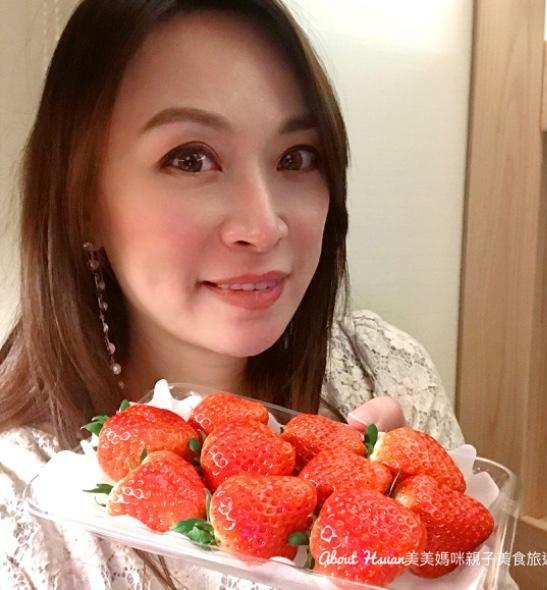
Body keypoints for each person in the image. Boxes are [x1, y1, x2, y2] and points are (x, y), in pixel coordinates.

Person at [0, 0, 464, 588]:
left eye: (296, 157)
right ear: (82, 199)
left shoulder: (388, 371)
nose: (264, 227)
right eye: (191, 159)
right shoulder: (23, 510)